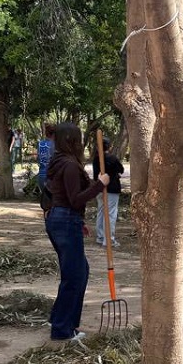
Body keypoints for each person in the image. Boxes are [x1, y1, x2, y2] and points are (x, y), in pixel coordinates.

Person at [43, 122, 108, 343]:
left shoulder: (61, 161)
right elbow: (75, 198)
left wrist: (78, 221)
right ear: (72, 141)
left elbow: (65, 196)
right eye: (79, 139)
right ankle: (62, 329)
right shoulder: (69, 165)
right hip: (64, 219)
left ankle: (59, 319)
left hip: (63, 219)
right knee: (75, 275)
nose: (82, 144)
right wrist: (100, 185)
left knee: (79, 271)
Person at [92, 136, 123, 248]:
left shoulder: (96, 158)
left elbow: (96, 175)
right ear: (109, 147)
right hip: (111, 189)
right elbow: (121, 169)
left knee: (101, 212)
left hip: (99, 188)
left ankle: (100, 237)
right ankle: (108, 240)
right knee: (110, 214)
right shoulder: (112, 158)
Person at [37, 123, 57, 188]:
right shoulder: (55, 145)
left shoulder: (40, 144)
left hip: (41, 176)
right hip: (51, 177)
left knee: (45, 197)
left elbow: (38, 159)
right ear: (54, 134)